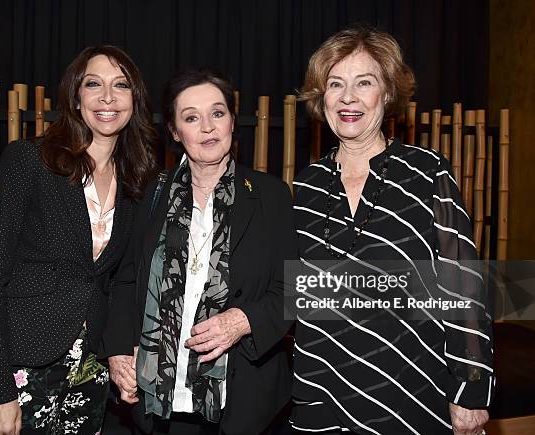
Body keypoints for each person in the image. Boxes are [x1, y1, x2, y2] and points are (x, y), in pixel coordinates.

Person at [291, 27, 494, 435]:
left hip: (409, 386)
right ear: (322, 98)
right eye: (335, 84)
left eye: (364, 83)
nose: (348, 97)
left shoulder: (426, 172)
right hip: (320, 386)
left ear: (386, 94)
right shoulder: (304, 186)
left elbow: (463, 282)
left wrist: (470, 387)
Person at [0, 45, 157, 434]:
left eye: (121, 85)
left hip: (91, 365)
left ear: (134, 100)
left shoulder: (138, 179)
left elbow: (122, 279)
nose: (107, 97)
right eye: (94, 84)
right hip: (23, 362)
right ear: (75, 96)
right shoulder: (29, 160)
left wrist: (120, 347)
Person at [102, 69, 297, 435]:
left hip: (241, 401)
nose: (207, 127)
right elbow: (124, 280)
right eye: (191, 117)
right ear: (175, 132)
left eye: (217, 113)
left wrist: (243, 321)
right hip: (156, 397)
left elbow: (292, 290)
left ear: (233, 122)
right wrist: (117, 352)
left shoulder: (271, 195)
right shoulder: (149, 194)